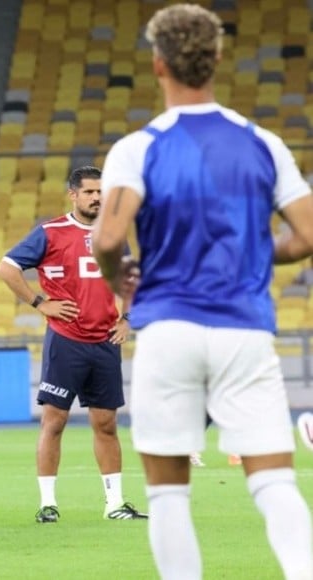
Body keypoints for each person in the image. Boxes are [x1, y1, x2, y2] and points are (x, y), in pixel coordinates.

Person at [92, 5, 313, 578]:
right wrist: (257, 254)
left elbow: (109, 237)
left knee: (168, 496)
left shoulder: (138, 148)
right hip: (244, 329)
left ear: (157, 63)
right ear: (217, 58)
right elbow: (308, 234)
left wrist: (122, 280)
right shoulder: (263, 143)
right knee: (273, 483)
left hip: (168, 328)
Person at [0, 166, 146, 523]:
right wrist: (38, 302)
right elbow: (7, 268)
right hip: (66, 342)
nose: (96, 198)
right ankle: (48, 503)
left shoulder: (114, 233)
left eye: (101, 192)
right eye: (89, 192)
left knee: (107, 424)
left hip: (105, 342)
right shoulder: (50, 233)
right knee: (54, 422)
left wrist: (127, 320)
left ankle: (114, 504)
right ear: (73, 195)